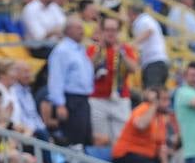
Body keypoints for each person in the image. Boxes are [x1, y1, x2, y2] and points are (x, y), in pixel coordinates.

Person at [87, 14, 138, 146]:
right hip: (97, 99)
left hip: (120, 99)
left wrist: (121, 54)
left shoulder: (125, 49)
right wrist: (99, 51)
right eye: (107, 30)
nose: (111, 33)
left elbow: (133, 68)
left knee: (121, 140)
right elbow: (87, 69)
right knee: (100, 139)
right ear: (102, 31)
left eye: (114, 30)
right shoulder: (93, 49)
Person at [45, 17, 94, 147]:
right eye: (78, 28)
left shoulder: (79, 49)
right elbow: (56, 78)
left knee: (85, 138)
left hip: (83, 99)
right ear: (68, 30)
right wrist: (60, 104)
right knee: (73, 140)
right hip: (71, 100)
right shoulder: (62, 50)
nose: (82, 31)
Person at [111, 88, 169, 163]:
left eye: (168, 99)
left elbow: (161, 145)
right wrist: (154, 105)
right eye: (164, 99)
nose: (167, 103)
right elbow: (141, 125)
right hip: (127, 154)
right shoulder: (144, 108)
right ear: (155, 100)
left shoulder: (160, 118)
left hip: (146, 157)